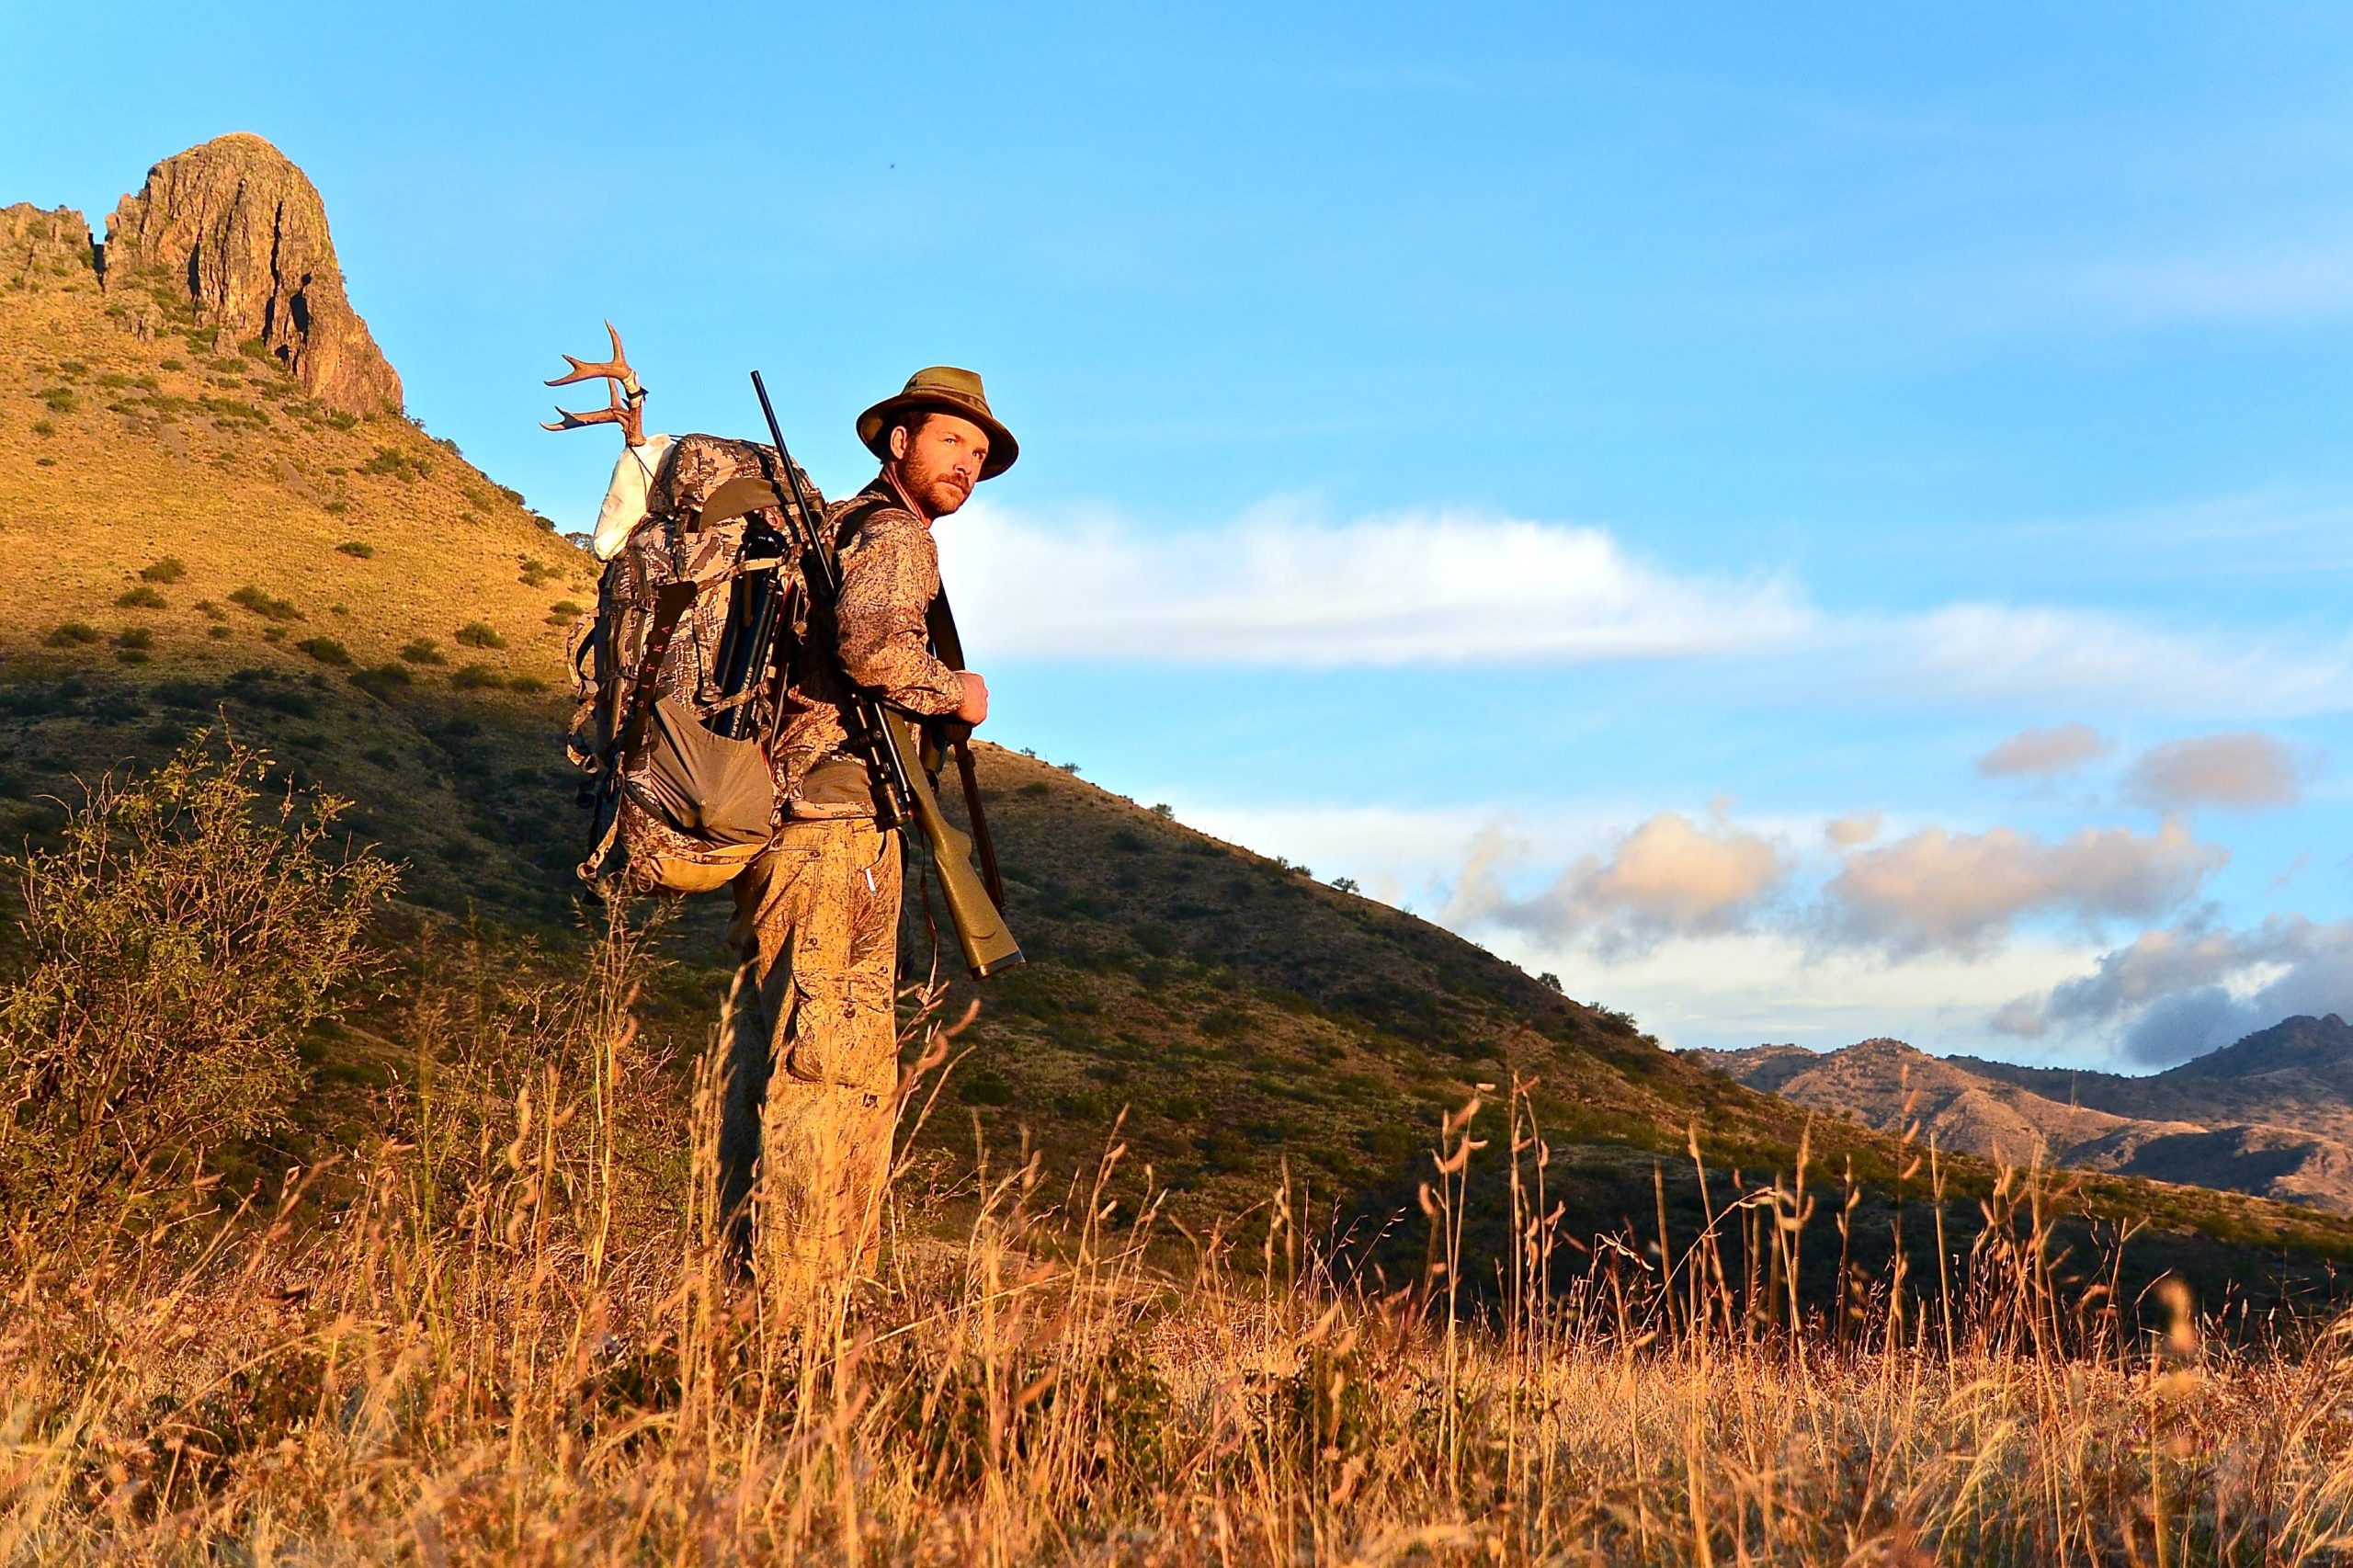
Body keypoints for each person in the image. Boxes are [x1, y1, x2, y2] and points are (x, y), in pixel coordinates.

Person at [719, 366, 1017, 1300]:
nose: (964, 464)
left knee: (770, 1056)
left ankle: (742, 1282)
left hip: (788, 820)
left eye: (977, 452)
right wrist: (955, 692)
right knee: (833, 1062)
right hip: (838, 826)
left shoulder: (839, 531)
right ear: (898, 442)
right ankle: (803, 1302)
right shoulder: (891, 535)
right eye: (948, 441)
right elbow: (872, 648)